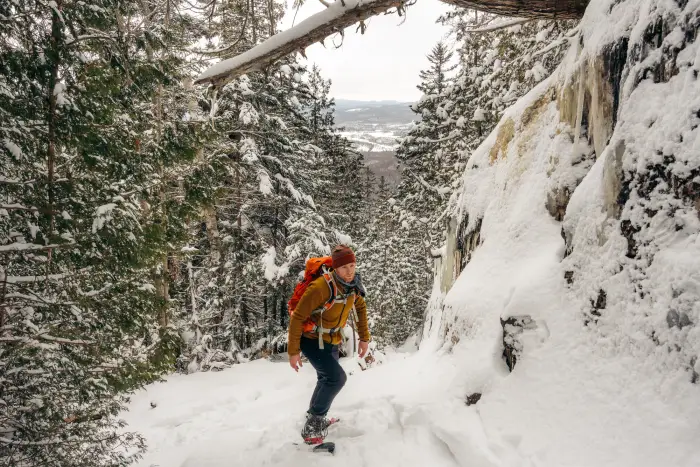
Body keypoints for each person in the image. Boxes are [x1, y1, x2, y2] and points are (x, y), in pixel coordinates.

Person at [287, 245, 371, 443]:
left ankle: (315, 419)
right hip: (310, 341)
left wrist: (364, 338)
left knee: (326, 378)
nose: (349, 271)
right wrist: (293, 351)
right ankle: (313, 427)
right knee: (336, 378)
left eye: (352, 265)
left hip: (332, 341)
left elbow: (360, 307)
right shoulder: (321, 287)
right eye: (344, 267)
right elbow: (297, 317)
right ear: (335, 268)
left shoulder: (353, 286)